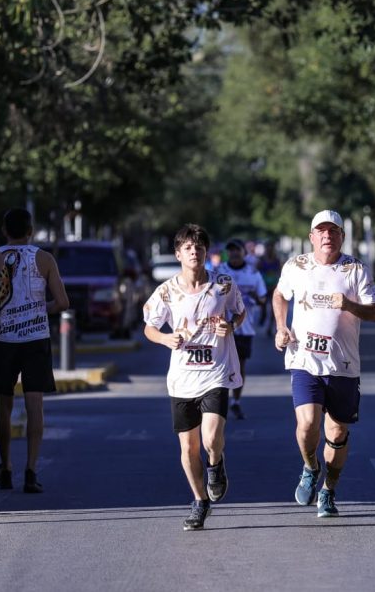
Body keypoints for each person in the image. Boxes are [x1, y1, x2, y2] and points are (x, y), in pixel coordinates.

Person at [273, 209, 375, 518]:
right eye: (321, 231)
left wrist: (348, 304)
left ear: (341, 237)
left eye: (333, 231)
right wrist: (282, 326)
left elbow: (373, 312)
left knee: (336, 433)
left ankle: (328, 490)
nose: (327, 236)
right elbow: (280, 295)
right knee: (307, 424)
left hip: (343, 364)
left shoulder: (356, 270)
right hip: (304, 358)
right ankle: (310, 466)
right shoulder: (297, 266)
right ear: (312, 237)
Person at [144, 224, 245, 531]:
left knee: (211, 437)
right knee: (188, 448)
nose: (194, 251)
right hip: (182, 379)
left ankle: (215, 463)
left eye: (199, 247)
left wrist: (232, 325)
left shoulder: (224, 284)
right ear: (178, 254)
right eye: (188, 247)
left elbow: (240, 311)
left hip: (215, 372)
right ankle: (200, 501)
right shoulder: (166, 291)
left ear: (206, 252)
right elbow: (149, 327)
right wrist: (165, 339)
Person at [0, 208, 69, 494]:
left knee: (4, 404)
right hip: (36, 340)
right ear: (31, 231)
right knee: (34, 405)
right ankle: (31, 469)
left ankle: (6, 467)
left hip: (3, 341)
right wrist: (43, 310)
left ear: (5, 230)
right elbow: (62, 302)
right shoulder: (44, 259)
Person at [217, 238, 267, 420]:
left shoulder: (252, 273)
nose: (234, 253)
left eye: (237, 250)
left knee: (239, 366)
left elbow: (263, 299)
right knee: (220, 367)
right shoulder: (219, 271)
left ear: (244, 252)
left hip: (244, 328)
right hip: (220, 327)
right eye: (230, 250)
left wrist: (254, 296)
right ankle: (218, 401)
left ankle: (235, 401)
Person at [258, 242, 282, 337]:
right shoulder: (261, 261)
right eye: (268, 248)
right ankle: (263, 315)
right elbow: (256, 273)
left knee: (273, 308)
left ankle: (270, 327)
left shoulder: (277, 261)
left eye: (271, 248)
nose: (269, 250)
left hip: (274, 287)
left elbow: (280, 273)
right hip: (263, 287)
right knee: (263, 305)